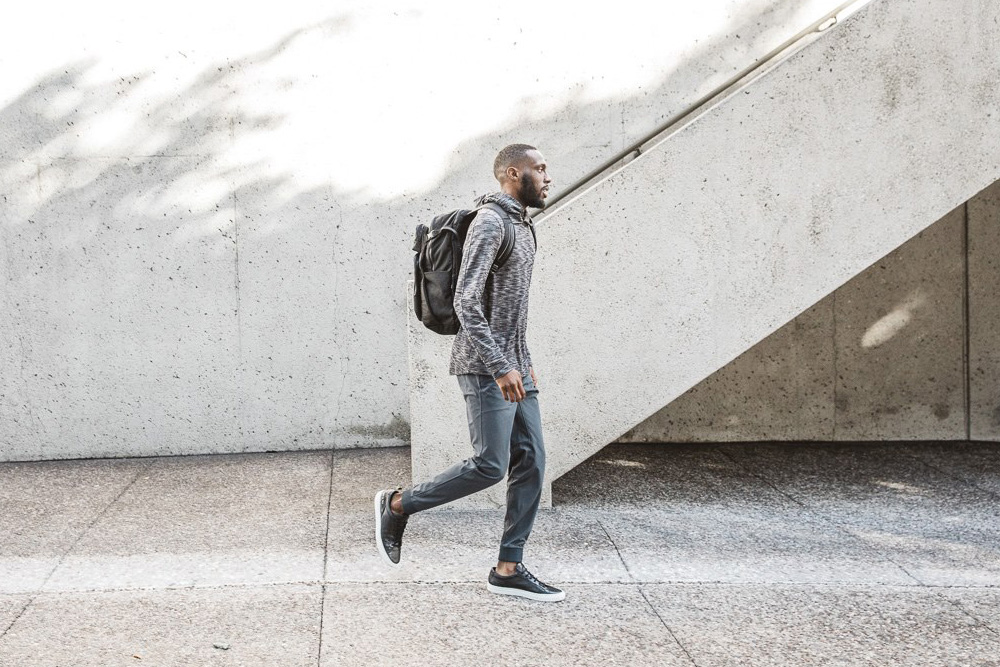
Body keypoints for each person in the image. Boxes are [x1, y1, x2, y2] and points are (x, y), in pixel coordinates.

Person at [375, 144, 564, 602]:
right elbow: (465, 300)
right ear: (512, 174)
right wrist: (501, 365)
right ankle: (398, 504)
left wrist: (521, 359)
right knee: (490, 465)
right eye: (539, 169)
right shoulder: (491, 224)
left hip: (514, 364)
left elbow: (509, 308)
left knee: (532, 462)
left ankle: (508, 567)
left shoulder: (523, 225)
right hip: (485, 367)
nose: (547, 177)